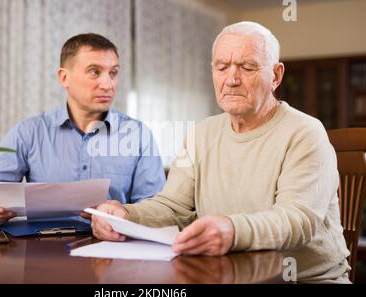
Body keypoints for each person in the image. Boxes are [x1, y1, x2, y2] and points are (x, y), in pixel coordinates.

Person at [90, 22, 351, 283]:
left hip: (303, 280)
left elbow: (297, 220)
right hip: (226, 276)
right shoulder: (201, 133)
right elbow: (173, 207)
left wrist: (233, 230)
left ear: (276, 75)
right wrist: (126, 215)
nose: (232, 79)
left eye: (247, 67)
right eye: (222, 67)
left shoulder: (306, 132)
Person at [0, 33, 165, 228]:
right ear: (64, 77)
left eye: (113, 73)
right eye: (95, 72)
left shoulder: (138, 135)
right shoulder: (30, 131)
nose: (108, 84)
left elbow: (158, 208)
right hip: (44, 252)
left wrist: (125, 212)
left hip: (112, 252)